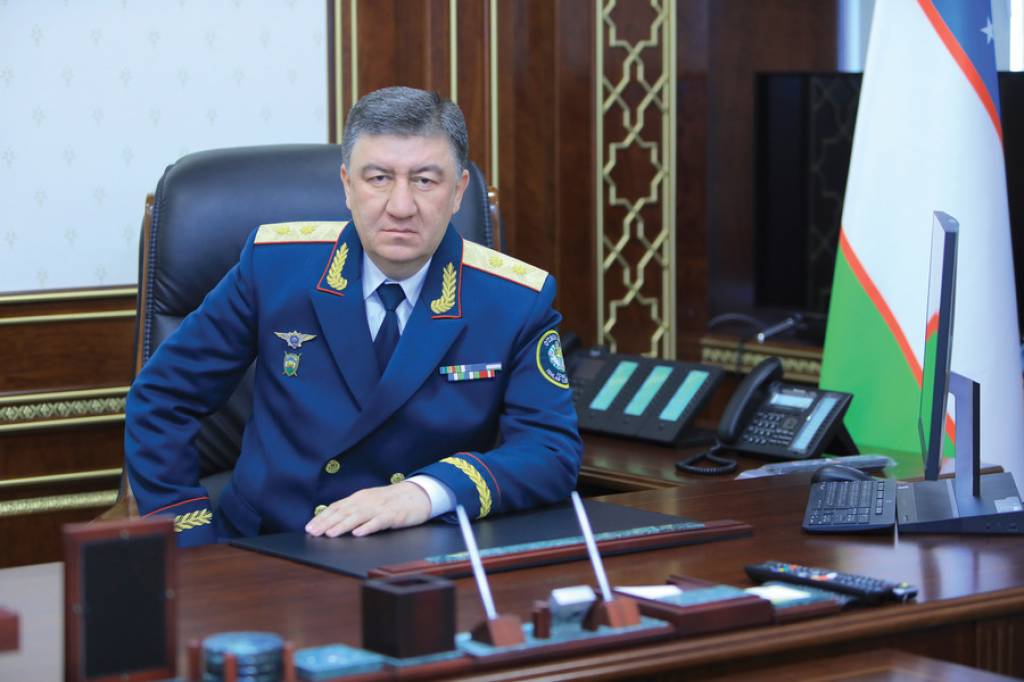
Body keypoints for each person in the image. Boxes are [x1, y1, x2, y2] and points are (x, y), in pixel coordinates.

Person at [124, 86, 583, 547]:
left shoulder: (514, 300)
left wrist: (426, 492)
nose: (400, 206)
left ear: (459, 191)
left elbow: (550, 450)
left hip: (422, 553)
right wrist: (190, 539)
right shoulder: (275, 267)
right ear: (347, 184)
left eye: (425, 181)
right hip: (270, 545)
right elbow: (163, 397)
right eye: (378, 178)